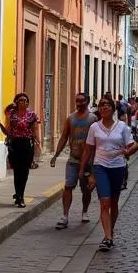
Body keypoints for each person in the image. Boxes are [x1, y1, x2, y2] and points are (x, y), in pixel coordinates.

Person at [80, 97, 138, 251]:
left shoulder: (122, 127)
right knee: (104, 202)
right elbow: (88, 150)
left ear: (113, 109)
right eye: (101, 106)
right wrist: (84, 169)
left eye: (107, 105)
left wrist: (128, 151)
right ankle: (107, 237)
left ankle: (110, 232)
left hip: (118, 167)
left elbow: (133, 145)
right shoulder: (94, 127)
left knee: (113, 202)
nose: (104, 108)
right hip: (100, 166)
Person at [50, 92, 96, 228]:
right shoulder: (70, 118)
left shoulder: (93, 119)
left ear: (87, 102)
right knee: (68, 187)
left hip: (87, 162)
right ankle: (65, 216)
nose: (79, 103)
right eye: (77, 101)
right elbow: (64, 137)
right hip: (73, 160)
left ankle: (85, 211)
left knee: (86, 189)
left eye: (82, 101)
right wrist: (56, 155)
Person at [2, 92, 40, 207]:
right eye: (21, 100)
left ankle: (21, 195)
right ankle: (18, 193)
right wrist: (4, 129)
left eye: (25, 100)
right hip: (15, 144)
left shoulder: (32, 115)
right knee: (17, 171)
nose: (24, 102)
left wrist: (38, 144)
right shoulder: (12, 114)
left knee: (24, 171)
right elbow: (8, 129)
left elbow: (35, 130)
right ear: (17, 102)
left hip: (27, 144)